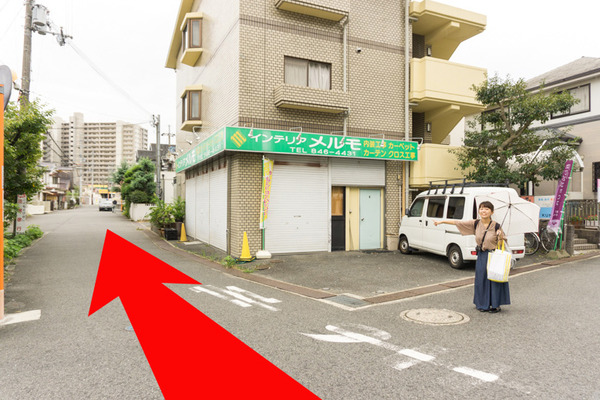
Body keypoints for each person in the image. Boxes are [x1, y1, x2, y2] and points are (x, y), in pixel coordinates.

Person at [434, 201, 509, 313]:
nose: (484, 211)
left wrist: (500, 236)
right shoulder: (476, 223)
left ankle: (495, 305)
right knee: (481, 280)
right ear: (479, 211)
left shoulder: (497, 226)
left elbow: (502, 243)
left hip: (493, 255)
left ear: (492, 212)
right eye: (481, 209)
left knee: (494, 280)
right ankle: (482, 304)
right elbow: (458, 222)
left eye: (487, 209)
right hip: (482, 255)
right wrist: (441, 221)